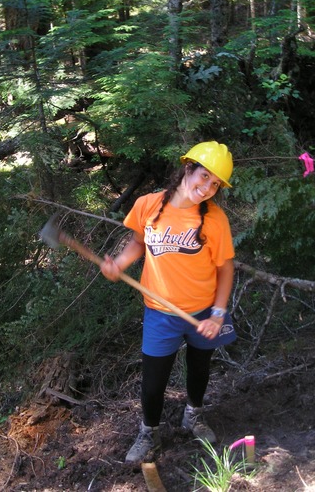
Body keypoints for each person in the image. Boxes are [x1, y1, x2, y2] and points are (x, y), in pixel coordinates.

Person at [100, 141, 236, 464]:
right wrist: (119, 264)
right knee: (153, 380)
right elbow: (137, 242)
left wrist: (217, 313)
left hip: (203, 312)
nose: (206, 188)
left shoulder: (215, 221)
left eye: (215, 184)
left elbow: (225, 269)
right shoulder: (149, 204)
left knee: (199, 369)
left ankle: (193, 415)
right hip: (161, 313)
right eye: (204, 176)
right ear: (188, 168)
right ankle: (149, 433)